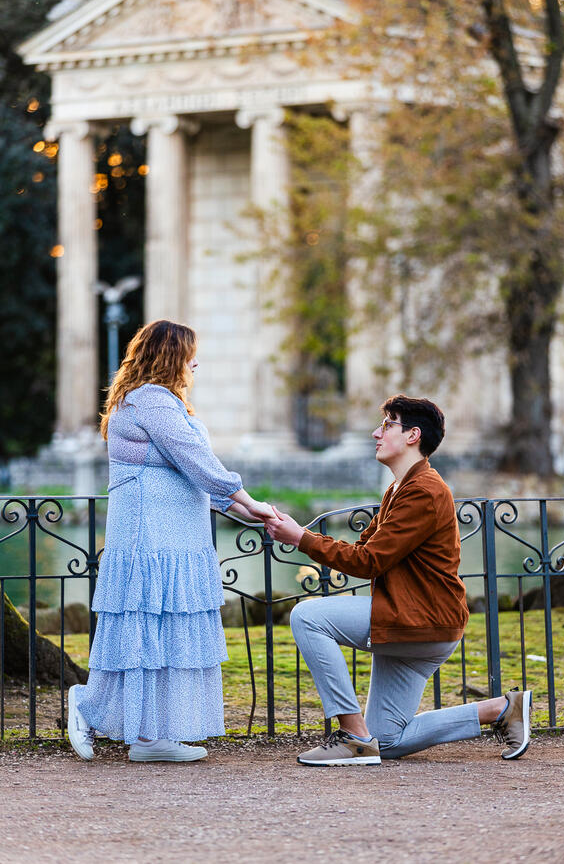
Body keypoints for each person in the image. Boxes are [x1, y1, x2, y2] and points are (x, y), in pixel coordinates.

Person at [267, 394, 532, 766]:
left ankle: (354, 737)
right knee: (389, 741)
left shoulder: (423, 491)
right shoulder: (399, 488)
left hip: (422, 621)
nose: (377, 433)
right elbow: (364, 549)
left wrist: (301, 538)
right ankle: (501, 709)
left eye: (387, 424)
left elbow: (370, 561)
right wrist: (301, 535)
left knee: (307, 617)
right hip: (411, 623)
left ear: (413, 435)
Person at [68, 320, 275, 763]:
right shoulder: (150, 401)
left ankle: (151, 735)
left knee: (164, 636)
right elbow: (199, 462)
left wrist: (251, 515)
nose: (195, 363)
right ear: (170, 356)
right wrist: (251, 501)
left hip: (177, 542)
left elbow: (199, 480)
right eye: (190, 354)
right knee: (145, 632)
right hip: (151, 540)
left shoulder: (164, 404)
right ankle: (91, 707)